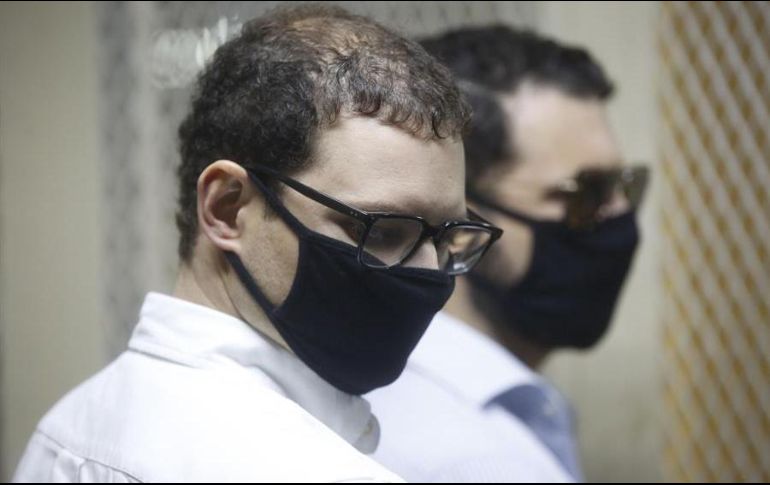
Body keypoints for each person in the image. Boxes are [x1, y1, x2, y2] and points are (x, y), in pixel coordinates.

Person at [13, 6, 503, 482]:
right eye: (383, 230)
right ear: (227, 208)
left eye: (445, 238)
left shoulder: (67, 435)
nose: (428, 273)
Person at [369, 25, 648, 482]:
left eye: (626, 187)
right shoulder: (465, 459)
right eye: (585, 194)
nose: (619, 220)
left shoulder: (515, 410)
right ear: (458, 219)